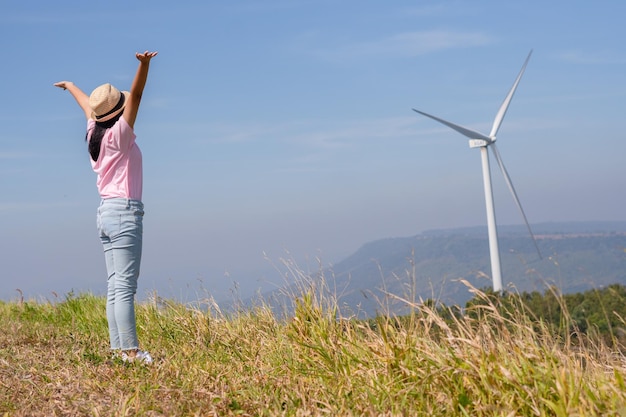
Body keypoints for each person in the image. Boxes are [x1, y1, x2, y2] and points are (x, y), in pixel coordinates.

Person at [54, 51, 158, 364]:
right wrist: (144, 64)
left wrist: (72, 86)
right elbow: (137, 94)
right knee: (125, 287)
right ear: (118, 113)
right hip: (125, 214)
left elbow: (88, 106)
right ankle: (131, 352)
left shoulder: (93, 135)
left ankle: (120, 349)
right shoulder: (119, 136)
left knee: (116, 286)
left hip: (105, 214)